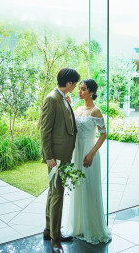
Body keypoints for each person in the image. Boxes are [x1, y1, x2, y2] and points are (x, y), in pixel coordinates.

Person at [65, 79, 112, 244]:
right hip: (77, 152)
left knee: (89, 189)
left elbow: (103, 134)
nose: (80, 92)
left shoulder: (96, 111)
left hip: (89, 152)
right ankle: (79, 227)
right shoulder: (77, 109)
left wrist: (92, 153)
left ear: (91, 92)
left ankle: (92, 227)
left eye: (83, 89)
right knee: (78, 187)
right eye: (79, 89)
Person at [40, 68, 80, 253]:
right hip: (56, 158)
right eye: (75, 84)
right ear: (69, 83)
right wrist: (49, 157)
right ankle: (56, 238)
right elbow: (44, 131)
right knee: (57, 194)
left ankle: (49, 230)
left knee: (53, 192)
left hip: (63, 155)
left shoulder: (62, 97)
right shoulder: (52, 98)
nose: (76, 87)